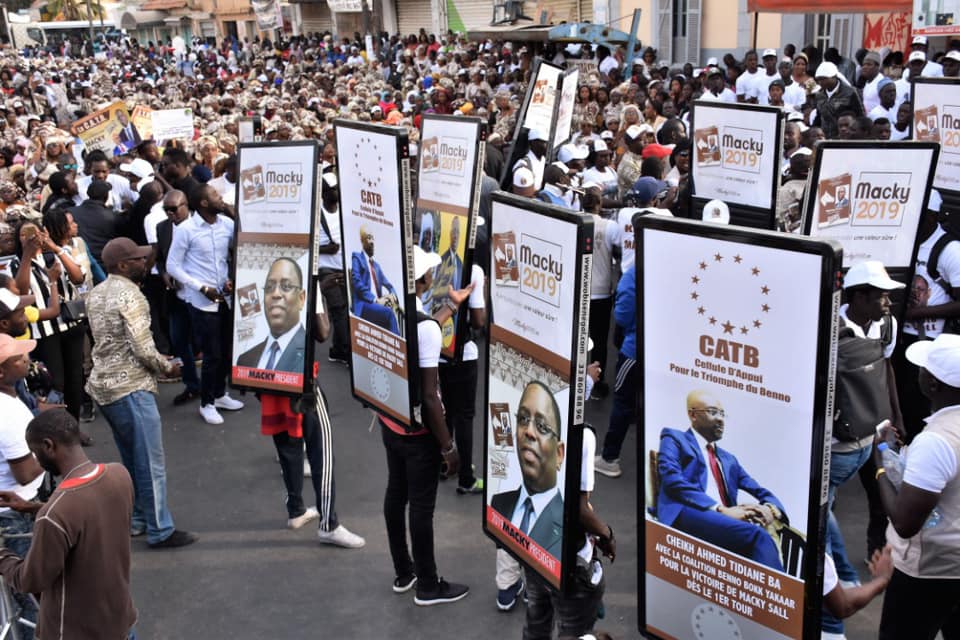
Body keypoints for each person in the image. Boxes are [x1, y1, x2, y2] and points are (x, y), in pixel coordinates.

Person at [86, 237, 196, 549]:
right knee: (150, 463)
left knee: (132, 460)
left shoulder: (96, 293)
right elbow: (143, 348)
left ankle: (137, 520)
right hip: (131, 387)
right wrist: (168, 368)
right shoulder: (132, 296)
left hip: (104, 387)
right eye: (137, 259)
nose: (144, 262)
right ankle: (160, 529)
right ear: (122, 265)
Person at [379, 245, 472, 606]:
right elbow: (432, 397)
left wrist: (452, 307)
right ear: (425, 279)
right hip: (419, 435)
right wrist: (448, 446)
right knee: (421, 507)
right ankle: (429, 585)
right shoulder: (427, 329)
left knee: (395, 494)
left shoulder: (388, 307)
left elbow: (424, 328)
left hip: (391, 421)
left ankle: (405, 572)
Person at [0, 408, 137, 640]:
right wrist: (33, 508)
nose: (36, 460)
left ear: (48, 446)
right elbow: (88, 513)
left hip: (76, 632)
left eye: (35, 452)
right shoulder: (119, 475)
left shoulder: (55, 514)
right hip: (120, 621)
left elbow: (31, 579)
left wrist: (3, 557)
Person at [824, 261, 904, 639]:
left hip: (873, 438)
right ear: (858, 297)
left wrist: (894, 417)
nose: (888, 302)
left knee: (877, 498)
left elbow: (885, 368)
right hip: (839, 448)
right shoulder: (830, 329)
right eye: (881, 295)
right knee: (825, 506)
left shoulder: (885, 325)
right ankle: (840, 576)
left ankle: (864, 561)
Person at [260, 277, 365, 548]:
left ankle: (296, 509)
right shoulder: (302, 275)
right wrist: (317, 295)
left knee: (287, 443)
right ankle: (329, 523)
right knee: (321, 450)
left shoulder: (264, 273)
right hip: (301, 380)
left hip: (269, 375)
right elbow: (322, 332)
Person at [875, 334, 960, 639]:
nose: (918, 374)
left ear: (934, 385)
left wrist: (881, 464)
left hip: (929, 571)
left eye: (924, 369)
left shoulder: (937, 440)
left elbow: (905, 522)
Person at [655, 390, 788, 571]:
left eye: (722, 414)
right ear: (693, 415)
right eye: (713, 412)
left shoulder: (728, 459)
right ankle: (779, 596)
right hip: (687, 511)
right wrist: (721, 509)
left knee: (761, 533)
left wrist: (770, 509)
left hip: (722, 519)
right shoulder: (674, 437)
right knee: (758, 536)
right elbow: (672, 480)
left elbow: (759, 490)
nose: (720, 419)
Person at [166, 184, 245, 425]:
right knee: (212, 354)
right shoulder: (186, 230)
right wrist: (201, 287)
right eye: (215, 196)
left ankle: (220, 394)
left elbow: (240, 250)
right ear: (203, 203)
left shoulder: (227, 225)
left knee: (226, 350)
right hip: (202, 302)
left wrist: (231, 279)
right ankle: (207, 403)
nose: (220, 198)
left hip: (226, 298)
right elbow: (172, 266)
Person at [490, 381, 565, 560]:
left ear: (559, 454)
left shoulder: (566, 522)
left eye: (542, 426)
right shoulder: (498, 504)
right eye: (523, 419)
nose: (529, 432)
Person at [0, 333, 43, 638]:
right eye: (18, 357)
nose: (26, 358)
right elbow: (26, 472)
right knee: (31, 599)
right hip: (15, 515)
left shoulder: (13, 399)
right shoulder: (7, 414)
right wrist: (55, 451)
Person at [154, 190, 201, 406]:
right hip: (175, 296)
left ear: (186, 205)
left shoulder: (201, 225)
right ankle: (193, 385)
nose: (170, 213)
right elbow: (161, 258)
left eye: (174, 209)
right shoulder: (162, 228)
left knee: (207, 342)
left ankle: (216, 388)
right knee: (179, 341)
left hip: (200, 295)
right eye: (166, 210)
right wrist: (164, 272)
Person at [236, 257, 306, 374]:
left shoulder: (308, 354)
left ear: (301, 298)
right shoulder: (245, 360)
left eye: (286, 286)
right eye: (269, 287)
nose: (276, 294)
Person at [315, 171, 349, 364]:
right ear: (324, 192)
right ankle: (345, 351)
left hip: (344, 266)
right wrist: (324, 249)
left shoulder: (344, 210)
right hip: (325, 268)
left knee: (346, 310)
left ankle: (337, 349)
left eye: (337, 188)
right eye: (333, 189)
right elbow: (307, 244)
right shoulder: (317, 213)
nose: (336, 192)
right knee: (338, 309)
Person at [350, 225, 400, 335]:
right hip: (364, 305)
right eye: (368, 238)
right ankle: (399, 349)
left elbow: (389, 285)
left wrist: (392, 296)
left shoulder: (376, 266)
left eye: (372, 238)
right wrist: (376, 300)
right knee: (389, 314)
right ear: (362, 241)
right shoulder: (357, 257)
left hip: (377, 305)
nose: (372, 241)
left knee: (390, 314)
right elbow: (357, 283)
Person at [813, 61, 864, 138]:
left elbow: (860, 115)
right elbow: (819, 116)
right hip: (825, 137)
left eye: (824, 79)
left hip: (844, 137)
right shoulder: (819, 95)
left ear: (834, 77)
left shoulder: (850, 92)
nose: (820, 82)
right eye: (818, 79)